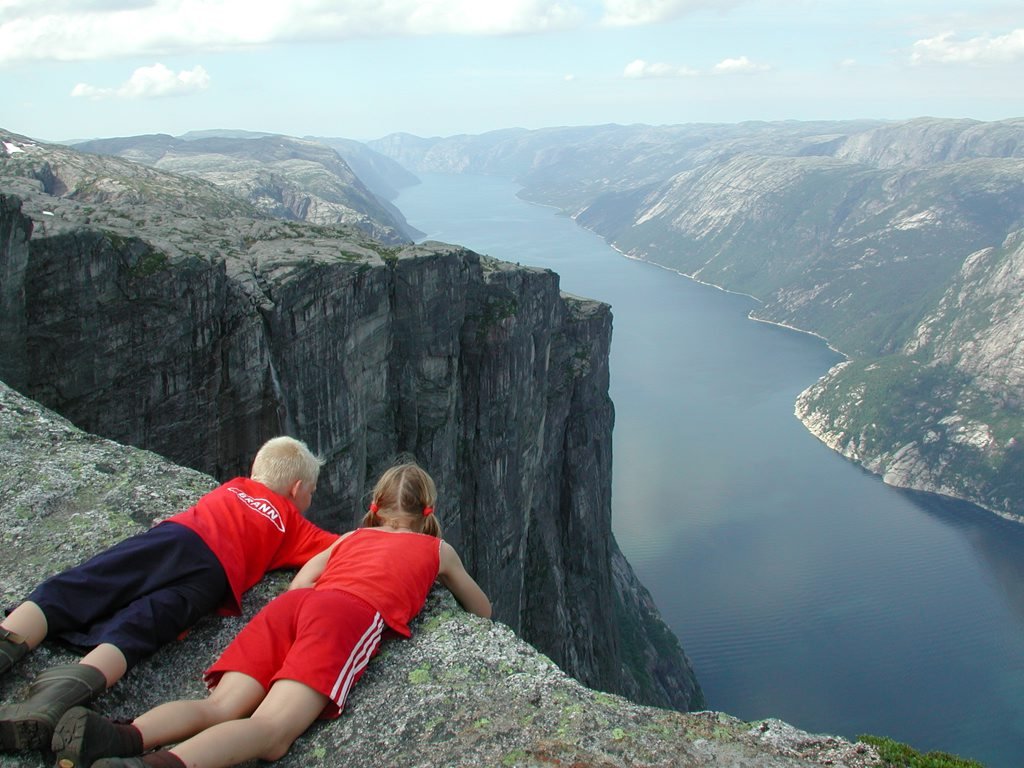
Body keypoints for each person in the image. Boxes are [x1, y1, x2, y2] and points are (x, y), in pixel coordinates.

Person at [52, 460, 491, 768]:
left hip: (293, 607)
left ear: (376, 506)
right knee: (272, 732)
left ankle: (124, 736)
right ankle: (160, 764)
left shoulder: (351, 537)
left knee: (222, 706)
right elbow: (482, 609)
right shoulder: (437, 549)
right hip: (347, 615)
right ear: (425, 511)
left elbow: (302, 582)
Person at [0, 436, 338, 754]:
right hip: (214, 578)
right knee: (142, 628)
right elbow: (345, 544)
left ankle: (11, 640)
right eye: (312, 491)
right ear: (296, 490)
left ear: (256, 472)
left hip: (179, 536)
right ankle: (53, 700)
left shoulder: (234, 487)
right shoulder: (293, 523)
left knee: (82, 586)